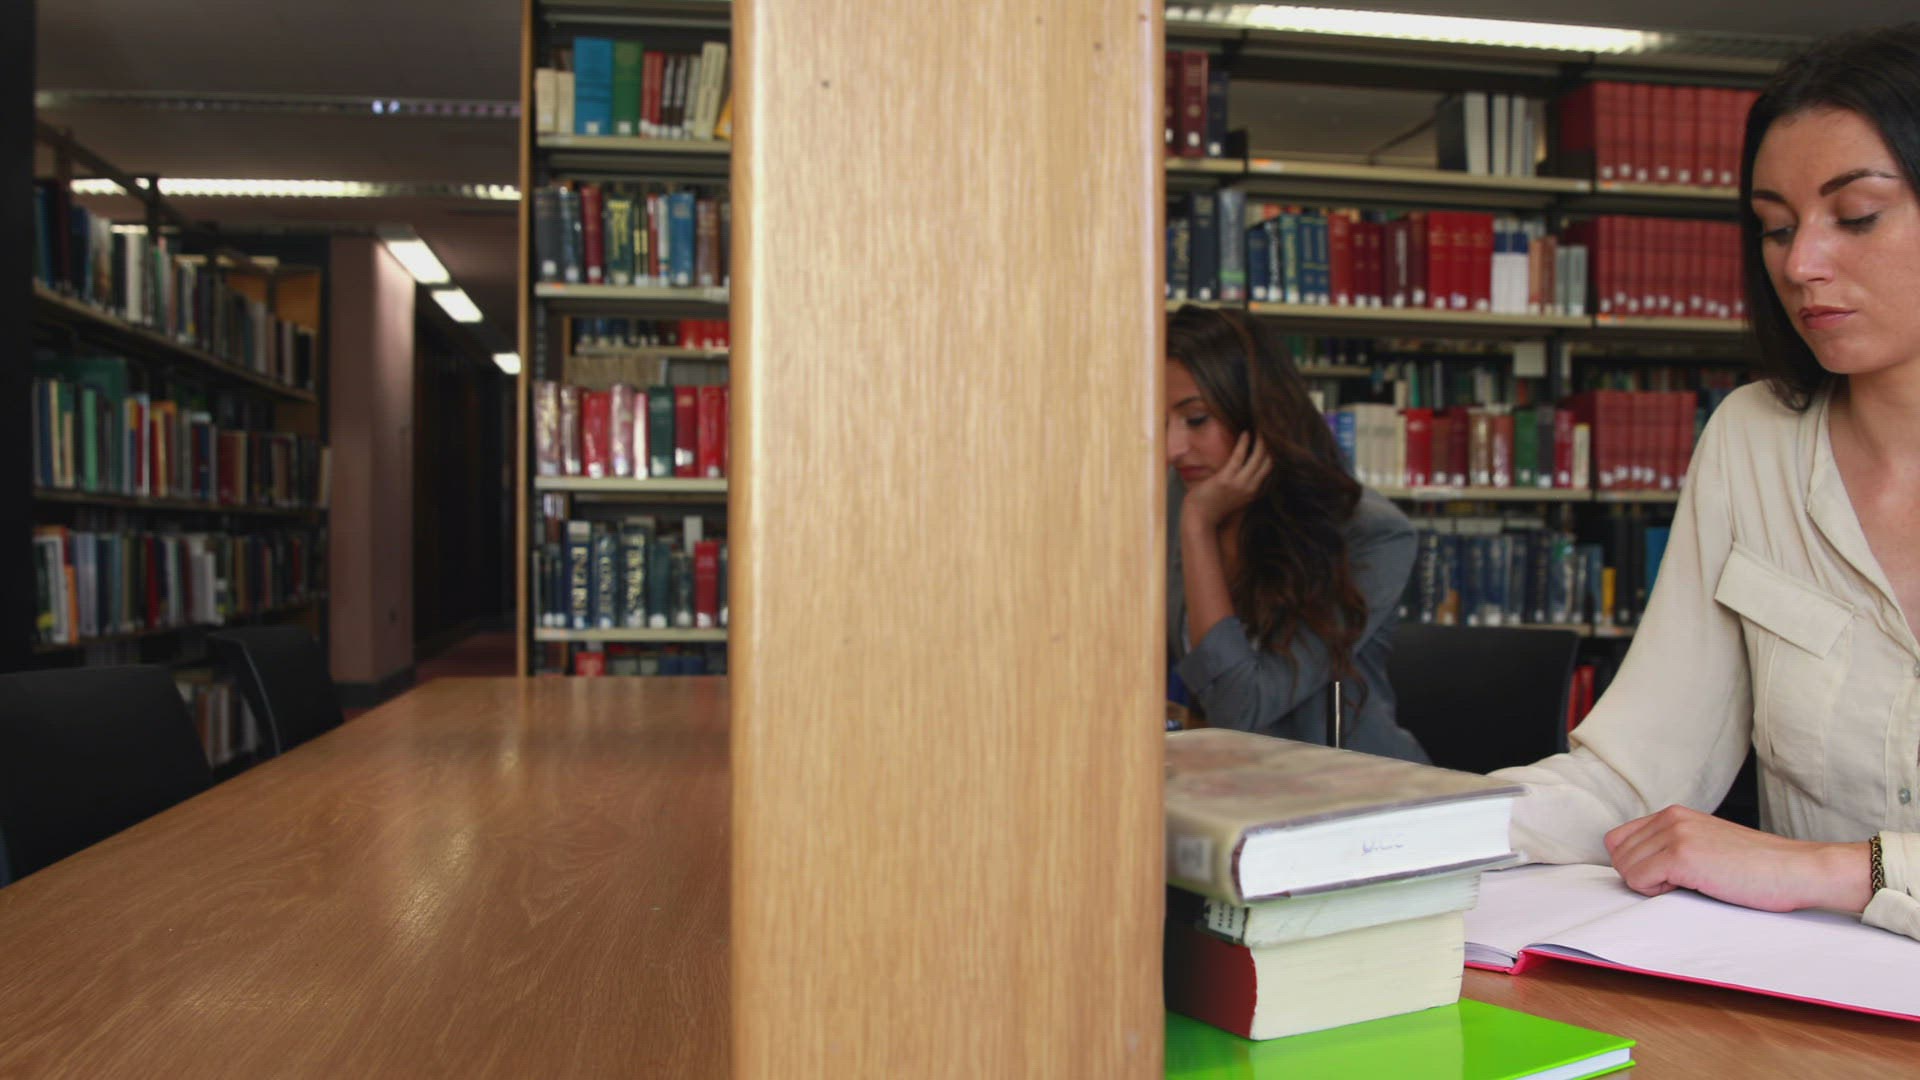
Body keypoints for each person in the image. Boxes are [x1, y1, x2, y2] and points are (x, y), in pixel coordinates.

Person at [1495, 23, 1920, 941]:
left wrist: (1836, 870)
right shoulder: (1751, 441)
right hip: (1813, 1003)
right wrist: (1390, 832)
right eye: (1776, 227)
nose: (1800, 265)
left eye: (1856, 216)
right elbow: (1636, 776)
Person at [1165, 303, 1426, 762]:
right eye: (1160, 422)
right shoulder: (1180, 494)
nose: (1173, 447)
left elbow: (1241, 710)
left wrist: (1198, 528)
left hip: (1349, 791)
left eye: (1197, 419)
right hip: (1223, 780)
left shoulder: (1371, 535)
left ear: (1258, 412)